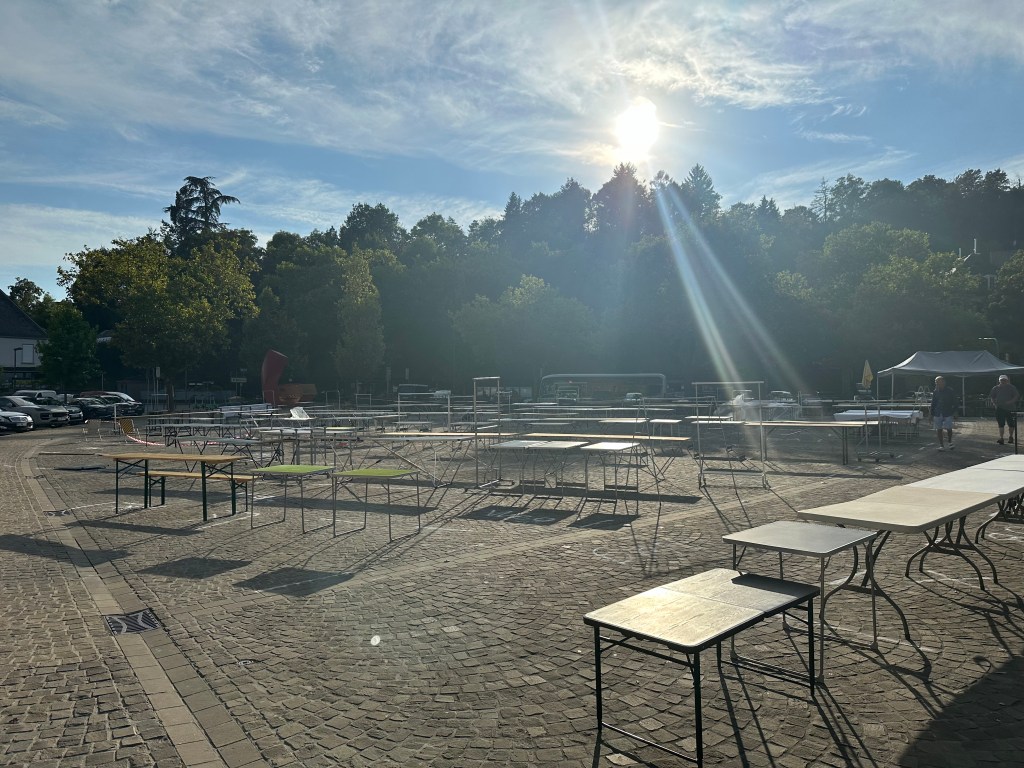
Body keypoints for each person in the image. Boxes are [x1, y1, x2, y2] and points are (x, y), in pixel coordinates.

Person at [989, 374, 1020, 445]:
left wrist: (1010, 402)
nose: (1003, 381)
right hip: (1000, 408)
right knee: (1001, 424)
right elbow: (992, 397)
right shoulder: (995, 388)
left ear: (1007, 380)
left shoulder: (1012, 387)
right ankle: (1001, 438)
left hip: (1010, 409)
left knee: (1011, 424)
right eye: (1001, 380)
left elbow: (1016, 396)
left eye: (1004, 380)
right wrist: (994, 404)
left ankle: (1011, 437)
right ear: (999, 381)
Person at [930, 375, 958, 451]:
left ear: (944, 382)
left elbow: (955, 402)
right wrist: (931, 414)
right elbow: (933, 403)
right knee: (939, 429)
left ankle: (950, 442)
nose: (937, 384)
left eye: (939, 382)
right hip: (938, 412)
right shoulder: (935, 391)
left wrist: (955, 411)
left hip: (948, 411)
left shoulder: (950, 391)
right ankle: (941, 445)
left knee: (949, 428)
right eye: (936, 382)